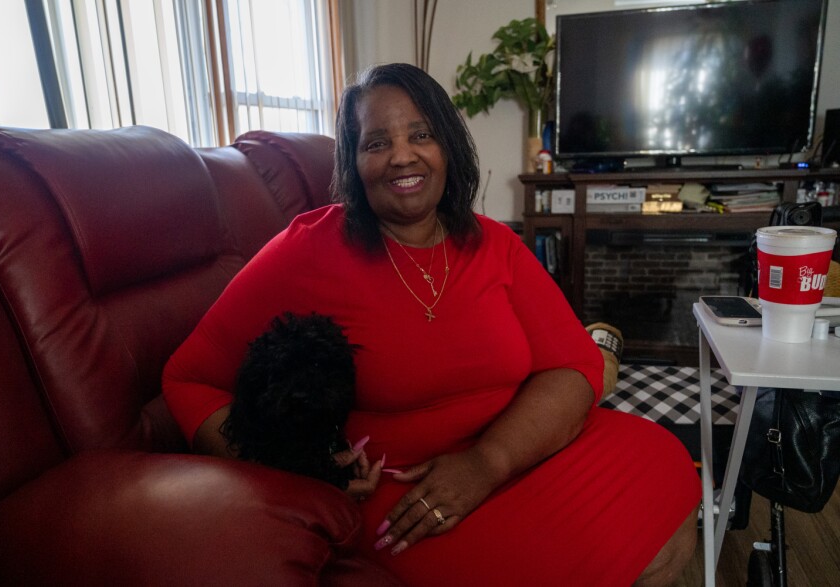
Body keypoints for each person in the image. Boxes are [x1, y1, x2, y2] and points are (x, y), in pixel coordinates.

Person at [162, 63, 701, 586]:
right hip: (411, 501)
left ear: (448, 147)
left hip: (518, 454)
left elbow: (573, 365)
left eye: (420, 134)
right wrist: (298, 473)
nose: (402, 156)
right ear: (353, 162)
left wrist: (487, 462)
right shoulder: (309, 251)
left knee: (662, 466)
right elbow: (188, 378)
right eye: (376, 142)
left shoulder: (494, 244)